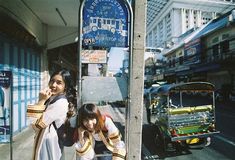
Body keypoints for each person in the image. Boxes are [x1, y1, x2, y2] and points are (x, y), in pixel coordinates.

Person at [29, 69, 76, 160]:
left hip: (49, 146)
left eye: (59, 83)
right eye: (52, 81)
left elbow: (36, 125)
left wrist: (41, 100)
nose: (53, 85)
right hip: (45, 142)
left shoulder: (60, 103)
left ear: (65, 87)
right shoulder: (51, 98)